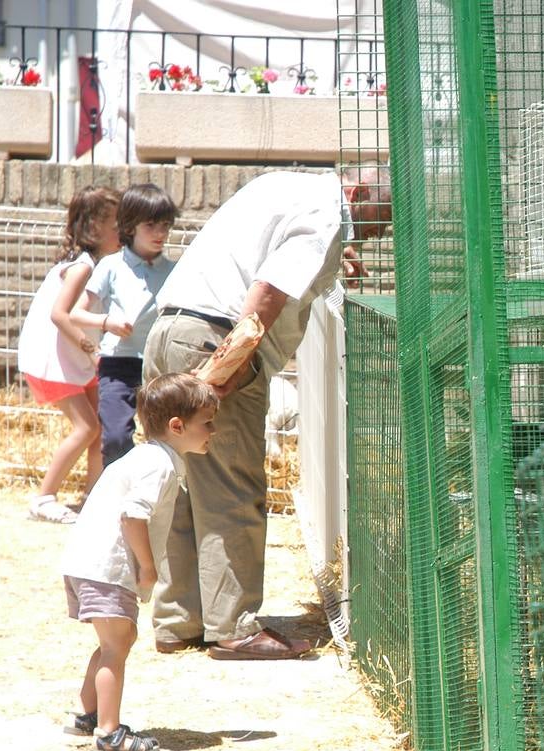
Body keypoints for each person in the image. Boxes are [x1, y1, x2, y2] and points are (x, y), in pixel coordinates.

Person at [142, 165, 389, 660]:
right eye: (379, 219)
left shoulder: (289, 187)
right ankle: (233, 629)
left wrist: (335, 258)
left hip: (168, 331)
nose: (380, 233)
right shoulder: (325, 215)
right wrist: (228, 368)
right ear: (357, 193)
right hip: (213, 340)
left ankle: (177, 621)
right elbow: (268, 291)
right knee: (232, 486)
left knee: (183, 482)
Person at [59, 372, 219, 751]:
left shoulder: (152, 457)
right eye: (208, 423)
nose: (213, 430)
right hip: (108, 567)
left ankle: (87, 712)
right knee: (116, 645)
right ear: (177, 426)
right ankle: (109, 734)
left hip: (89, 562)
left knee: (117, 639)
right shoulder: (158, 464)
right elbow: (133, 516)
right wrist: (147, 567)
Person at [16, 185, 122, 524]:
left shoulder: (97, 264)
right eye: (117, 225)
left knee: (101, 426)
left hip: (72, 359)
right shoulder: (82, 267)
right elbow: (60, 314)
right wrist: (92, 350)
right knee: (87, 427)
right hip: (56, 361)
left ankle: (95, 494)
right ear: (94, 228)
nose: (123, 231)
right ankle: (44, 498)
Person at [79, 183, 178, 467]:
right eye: (151, 225)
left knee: (163, 439)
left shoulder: (174, 271)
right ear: (130, 226)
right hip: (117, 363)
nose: (160, 234)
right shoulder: (110, 266)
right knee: (116, 438)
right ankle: (117, 492)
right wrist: (107, 322)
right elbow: (76, 313)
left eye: (165, 225)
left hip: (158, 365)